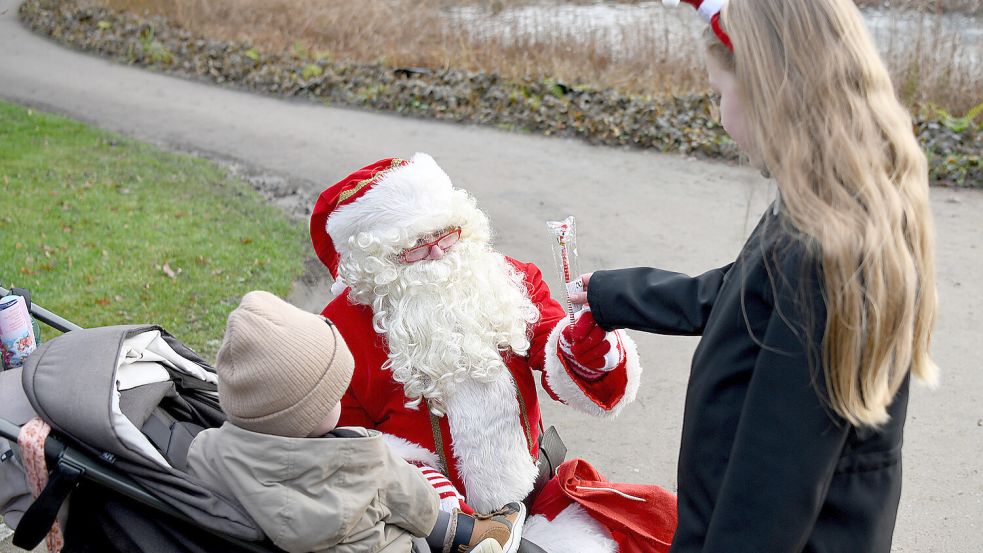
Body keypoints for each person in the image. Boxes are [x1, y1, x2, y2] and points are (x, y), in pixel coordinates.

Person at [571, 0, 939, 551]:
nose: (719, 117)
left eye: (720, 93)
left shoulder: (820, 253)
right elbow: (738, 293)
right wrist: (612, 294)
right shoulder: (829, 212)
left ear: (772, 91)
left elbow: (769, 495)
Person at [309, 153, 678, 553]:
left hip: (534, 500)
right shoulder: (337, 331)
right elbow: (350, 445)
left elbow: (563, 362)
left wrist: (586, 348)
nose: (438, 252)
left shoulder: (505, 278)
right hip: (426, 527)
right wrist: (443, 515)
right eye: (414, 246)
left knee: (657, 522)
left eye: (446, 233)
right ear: (372, 263)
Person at [185, 290, 527, 553]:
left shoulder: (206, 450)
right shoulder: (362, 460)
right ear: (309, 411)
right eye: (334, 392)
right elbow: (419, 506)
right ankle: (478, 536)